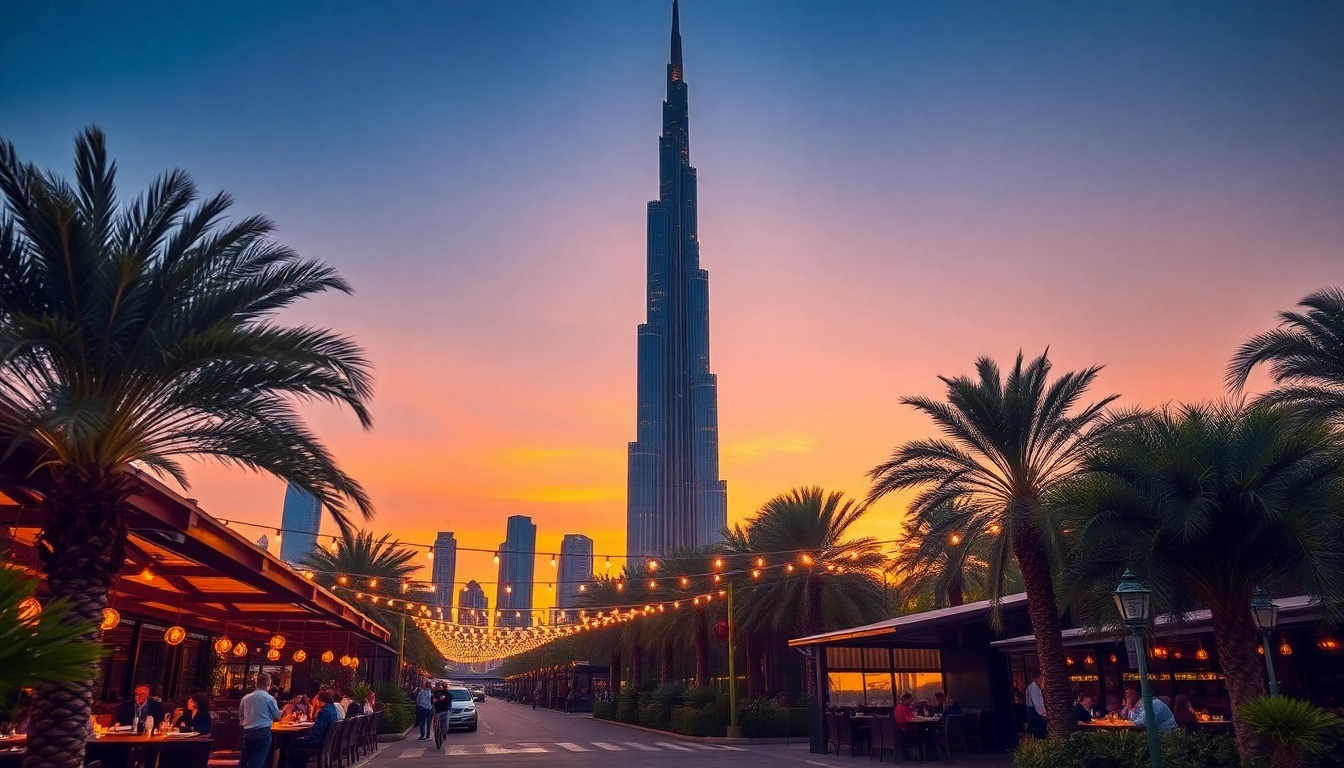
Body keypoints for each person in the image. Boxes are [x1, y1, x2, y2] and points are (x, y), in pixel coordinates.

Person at [240, 673, 282, 768]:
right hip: (262, 731)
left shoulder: (245, 698)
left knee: (247, 758)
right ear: (268, 685)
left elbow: (241, 716)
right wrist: (282, 712)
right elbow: (277, 716)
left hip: (247, 731)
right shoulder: (269, 698)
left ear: (256, 684)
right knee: (258, 759)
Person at [289, 690, 339, 767]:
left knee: (294, 744)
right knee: (299, 741)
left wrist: (305, 736)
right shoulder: (333, 709)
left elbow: (317, 732)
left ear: (321, 701)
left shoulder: (324, 712)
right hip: (327, 741)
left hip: (319, 742)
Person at [1025, 672, 1047, 739]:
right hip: (1036, 712)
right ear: (1039, 678)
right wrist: (1043, 713)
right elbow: (1037, 702)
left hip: (1032, 710)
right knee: (1039, 731)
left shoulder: (1030, 687)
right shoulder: (1034, 688)